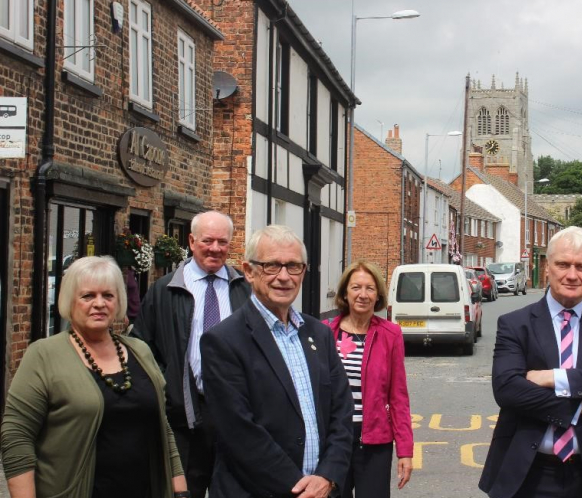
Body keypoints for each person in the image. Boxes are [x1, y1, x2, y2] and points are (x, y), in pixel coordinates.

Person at [1, 256, 188, 498]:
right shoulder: (44, 355)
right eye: (87, 296)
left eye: (107, 296)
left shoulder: (139, 351)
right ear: (70, 301)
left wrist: (180, 490)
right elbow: (16, 436)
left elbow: (163, 428)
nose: (99, 303)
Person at [480, 226, 582, 498]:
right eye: (563, 264)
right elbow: (507, 389)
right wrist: (578, 407)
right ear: (546, 267)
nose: (572, 275)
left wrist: (552, 377)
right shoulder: (515, 324)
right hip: (528, 474)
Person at [200, 225, 353, 498]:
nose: (284, 277)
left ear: (304, 272)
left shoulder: (319, 334)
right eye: (271, 266)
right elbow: (240, 434)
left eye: (293, 266)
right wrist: (300, 489)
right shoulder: (223, 341)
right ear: (248, 271)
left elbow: (342, 412)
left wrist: (328, 476)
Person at [132, 210, 251, 498]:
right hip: (184, 417)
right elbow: (142, 348)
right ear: (191, 241)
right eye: (207, 240)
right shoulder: (165, 290)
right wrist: (167, 389)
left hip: (235, 414)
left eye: (222, 242)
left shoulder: (245, 290)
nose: (215, 248)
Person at [324, 261, 414, 497]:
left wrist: (405, 451)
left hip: (374, 442)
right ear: (345, 292)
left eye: (370, 288)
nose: (362, 295)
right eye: (356, 287)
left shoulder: (390, 334)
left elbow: (398, 397)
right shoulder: (325, 332)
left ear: (378, 295)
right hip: (333, 441)